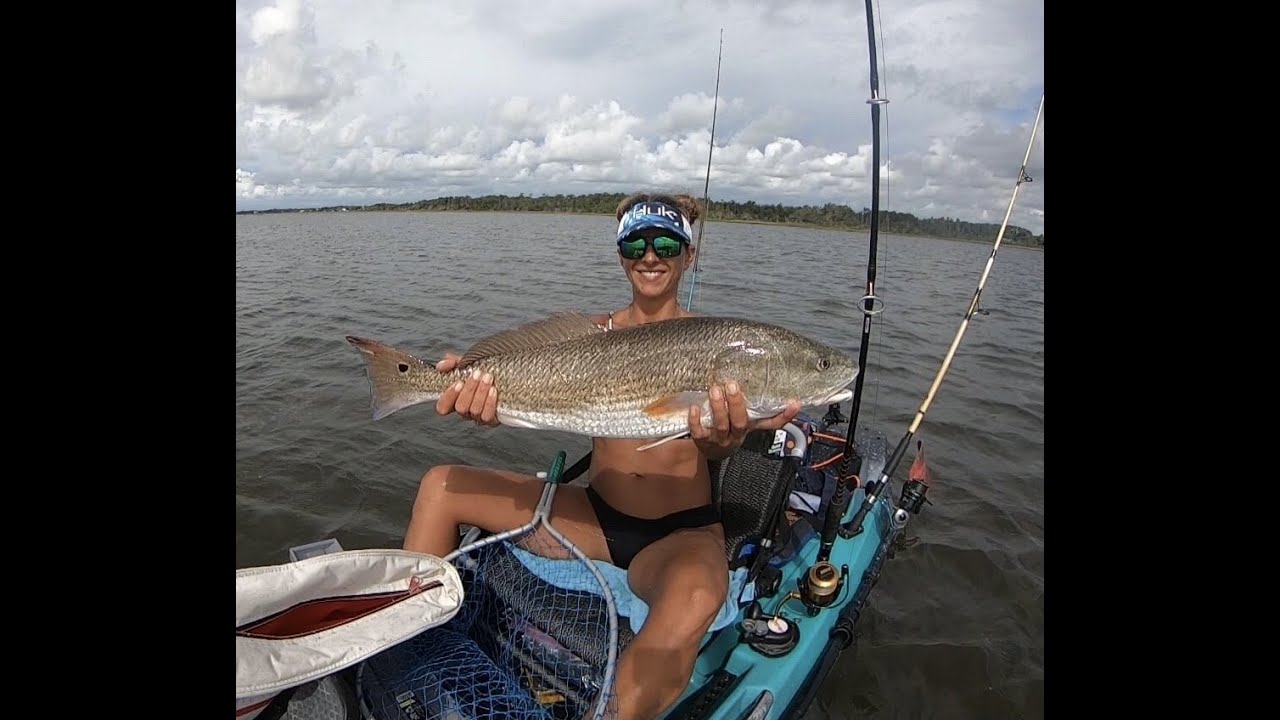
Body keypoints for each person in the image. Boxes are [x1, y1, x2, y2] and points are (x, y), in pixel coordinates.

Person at [402, 192, 801, 720]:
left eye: (666, 242)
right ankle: (405, 652)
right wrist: (469, 377)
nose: (650, 255)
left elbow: (716, 448)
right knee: (439, 486)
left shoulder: (720, 346)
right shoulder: (586, 337)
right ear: (620, 255)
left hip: (680, 534)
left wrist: (722, 440)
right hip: (591, 517)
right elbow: (511, 372)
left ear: (689, 254)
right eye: (636, 243)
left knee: (698, 594)